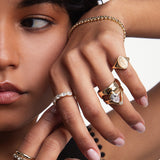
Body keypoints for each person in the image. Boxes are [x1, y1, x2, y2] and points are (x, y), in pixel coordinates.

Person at [0, 0, 159, 160]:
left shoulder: (93, 153)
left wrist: (111, 15)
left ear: (73, 36)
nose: (3, 58)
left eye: (33, 22)